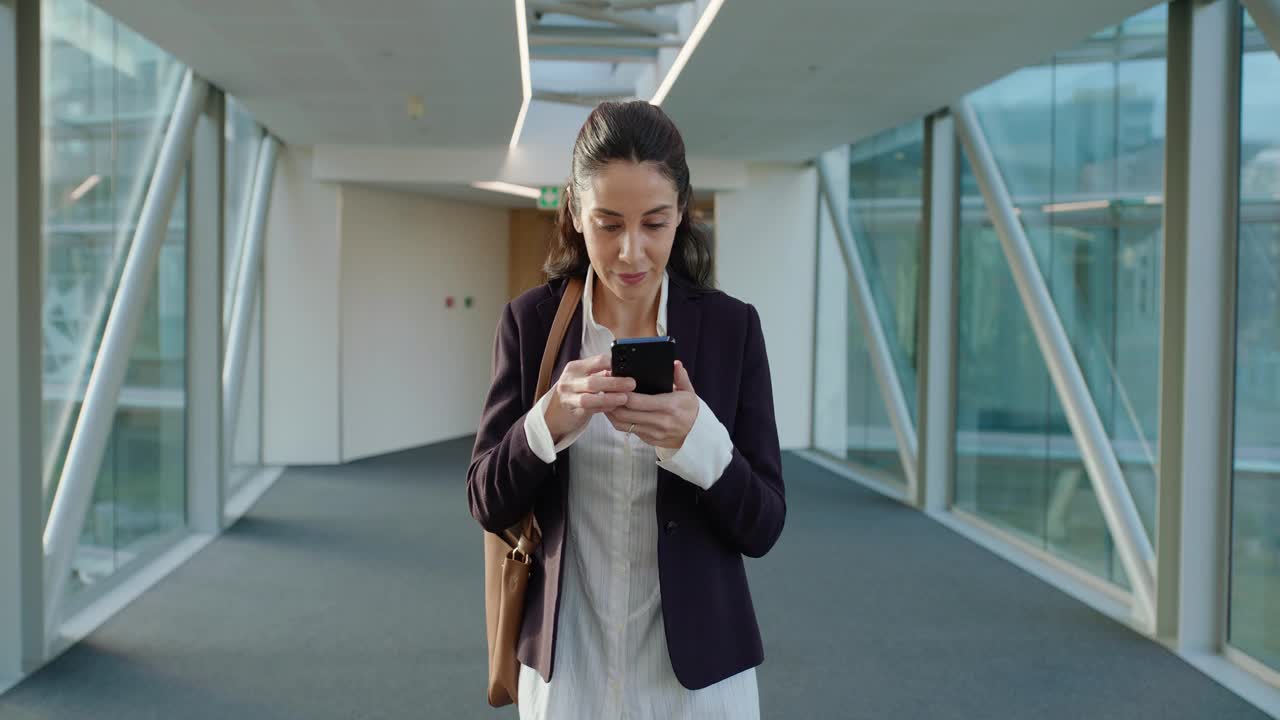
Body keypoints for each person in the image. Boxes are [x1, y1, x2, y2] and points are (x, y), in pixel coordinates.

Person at [467, 100, 785, 720]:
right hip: (570, 679)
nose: (631, 253)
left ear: (681, 218)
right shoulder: (532, 325)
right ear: (574, 213)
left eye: (654, 224)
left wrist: (701, 441)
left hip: (697, 688)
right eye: (608, 225)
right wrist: (546, 424)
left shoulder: (731, 330)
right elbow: (485, 498)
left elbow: (764, 525)